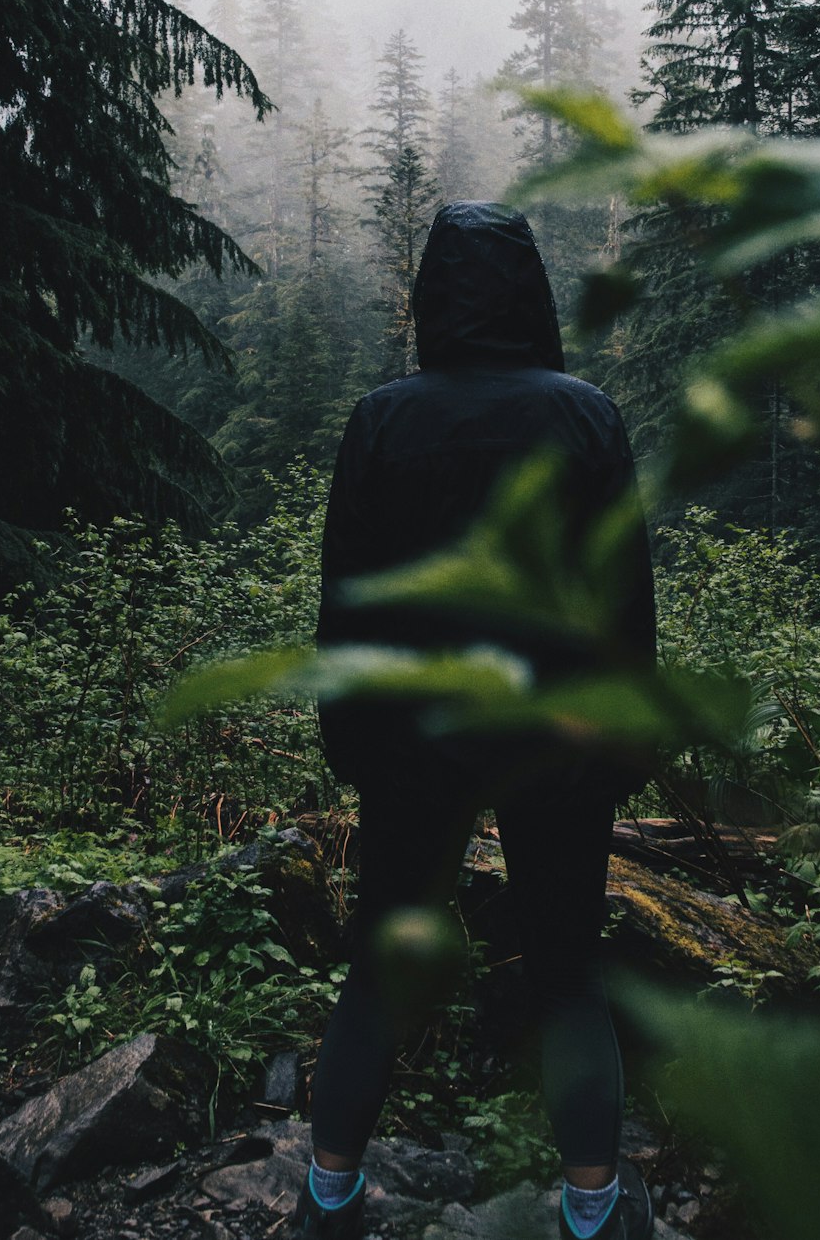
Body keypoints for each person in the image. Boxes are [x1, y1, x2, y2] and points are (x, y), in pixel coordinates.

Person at [291, 203, 656, 1240]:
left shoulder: (383, 419)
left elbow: (349, 600)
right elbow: (626, 597)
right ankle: (593, 1209)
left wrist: (351, 739)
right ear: (532, 291)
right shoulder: (588, 415)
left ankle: (331, 1197)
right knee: (567, 976)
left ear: (433, 298)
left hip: (414, 742)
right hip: (562, 739)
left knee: (380, 964)